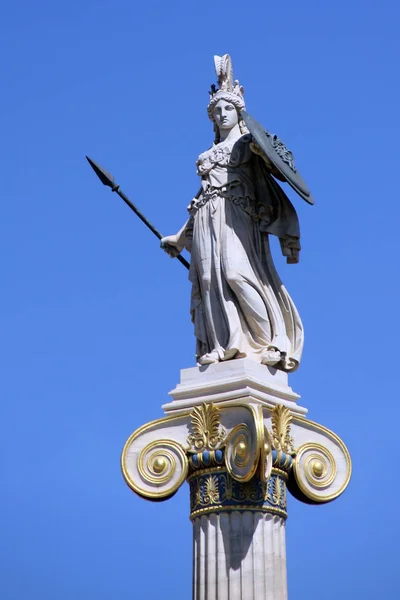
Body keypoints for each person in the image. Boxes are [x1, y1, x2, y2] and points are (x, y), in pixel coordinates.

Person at [161, 55, 304, 371]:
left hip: (237, 216)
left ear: (239, 112)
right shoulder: (208, 155)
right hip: (207, 218)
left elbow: (274, 172)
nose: (222, 114)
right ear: (211, 118)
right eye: (217, 111)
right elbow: (202, 198)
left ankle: (271, 341)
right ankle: (229, 343)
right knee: (210, 279)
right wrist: (180, 238)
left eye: (228, 109)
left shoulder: (248, 146)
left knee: (235, 274)